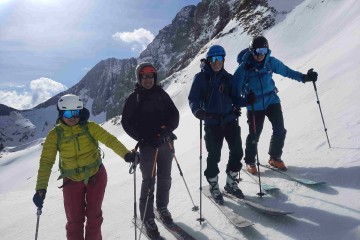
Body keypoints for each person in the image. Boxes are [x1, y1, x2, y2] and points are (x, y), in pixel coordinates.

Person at [33, 94, 137, 240]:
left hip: (96, 176)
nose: (72, 117)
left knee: (94, 217)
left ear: (80, 112)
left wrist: (126, 154)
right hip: (71, 181)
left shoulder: (90, 127)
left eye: (76, 112)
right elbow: (46, 161)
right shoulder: (55, 135)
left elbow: (110, 140)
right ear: (61, 113)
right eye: (67, 113)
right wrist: (41, 188)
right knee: (74, 220)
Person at [233, 36, 318, 174]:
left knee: (280, 129)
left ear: (267, 50)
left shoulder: (270, 62)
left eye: (263, 50)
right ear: (251, 51)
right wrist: (241, 102)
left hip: (272, 100)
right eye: (257, 51)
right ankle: (249, 161)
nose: (260, 54)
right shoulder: (243, 68)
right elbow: (234, 89)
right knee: (254, 135)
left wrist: (304, 77)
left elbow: (287, 71)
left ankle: (274, 157)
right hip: (254, 105)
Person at [121, 62, 179, 239]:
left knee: (165, 177)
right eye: (144, 76)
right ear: (139, 78)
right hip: (147, 147)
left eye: (151, 76)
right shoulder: (134, 98)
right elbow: (126, 123)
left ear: (155, 77)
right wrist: (143, 137)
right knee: (148, 181)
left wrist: (168, 129)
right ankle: (147, 218)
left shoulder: (161, 94)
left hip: (165, 143)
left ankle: (162, 207)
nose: (148, 79)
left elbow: (174, 114)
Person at [188, 45, 247, 204]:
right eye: (213, 59)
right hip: (212, 122)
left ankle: (231, 183)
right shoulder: (200, 78)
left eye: (219, 59)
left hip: (229, 120)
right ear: (208, 60)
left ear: (223, 59)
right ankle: (214, 184)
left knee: (237, 151)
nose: (216, 62)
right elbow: (193, 99)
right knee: (214, 155)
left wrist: (247, 100)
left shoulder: (228, 78)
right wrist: (197, 111)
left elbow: (236, 98)